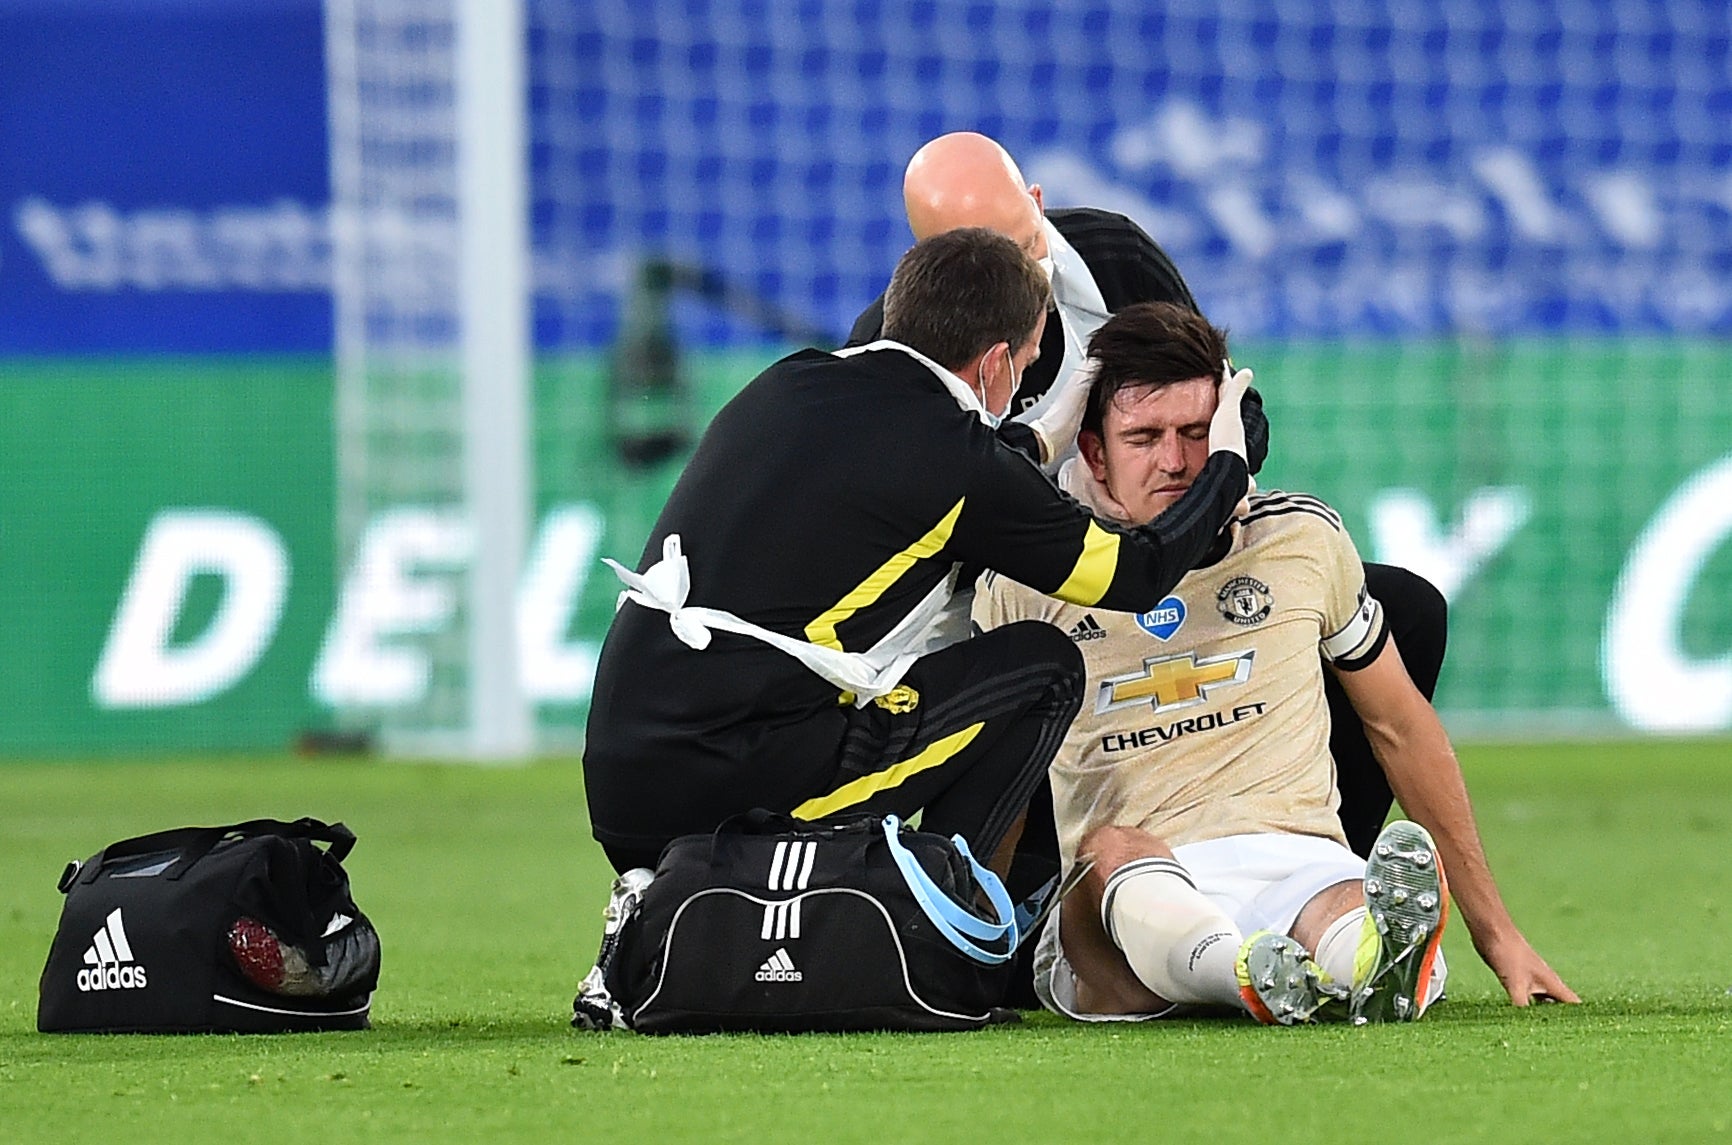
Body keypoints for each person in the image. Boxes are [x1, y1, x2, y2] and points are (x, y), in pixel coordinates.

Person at [583, 229, 1254, 879]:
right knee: (1043, 670)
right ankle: (931, 922)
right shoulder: (956, 460)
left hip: (625, 785)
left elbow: (916, 481)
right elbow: (1135, 572)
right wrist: (1224, 461)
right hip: (726, 800)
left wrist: (1039, 440)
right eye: (1027, 358)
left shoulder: (792, 384)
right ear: (996, 363)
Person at [849, 130, 1447, 858]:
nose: (1021, 280)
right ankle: (1006, 924)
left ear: (1037, 204)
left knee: (1407, 612)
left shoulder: (1111, 255)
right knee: (1022, 678)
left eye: (1023, 243)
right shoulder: (897, 342)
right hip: (1029, 600)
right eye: (983, 264)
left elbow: (1231, 407)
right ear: (930, 266)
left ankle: (1315, 869)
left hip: (1173, 557)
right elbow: (926, 521)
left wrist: (1195, 496)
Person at [974, 302, 1578, 1022]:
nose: (1175, 460)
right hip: (1128, 891)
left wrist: (1497, 930)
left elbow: (1401, 728)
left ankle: (1366, 964)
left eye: (1197, 434)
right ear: (1094, 453)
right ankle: (1251, 973)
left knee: (1348, 902)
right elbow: (1000, 788)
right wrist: (973, 961)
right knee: (1111, 853)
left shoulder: (1299, 539)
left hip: (1296, 857)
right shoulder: (1027, 580)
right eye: (1144, 437)